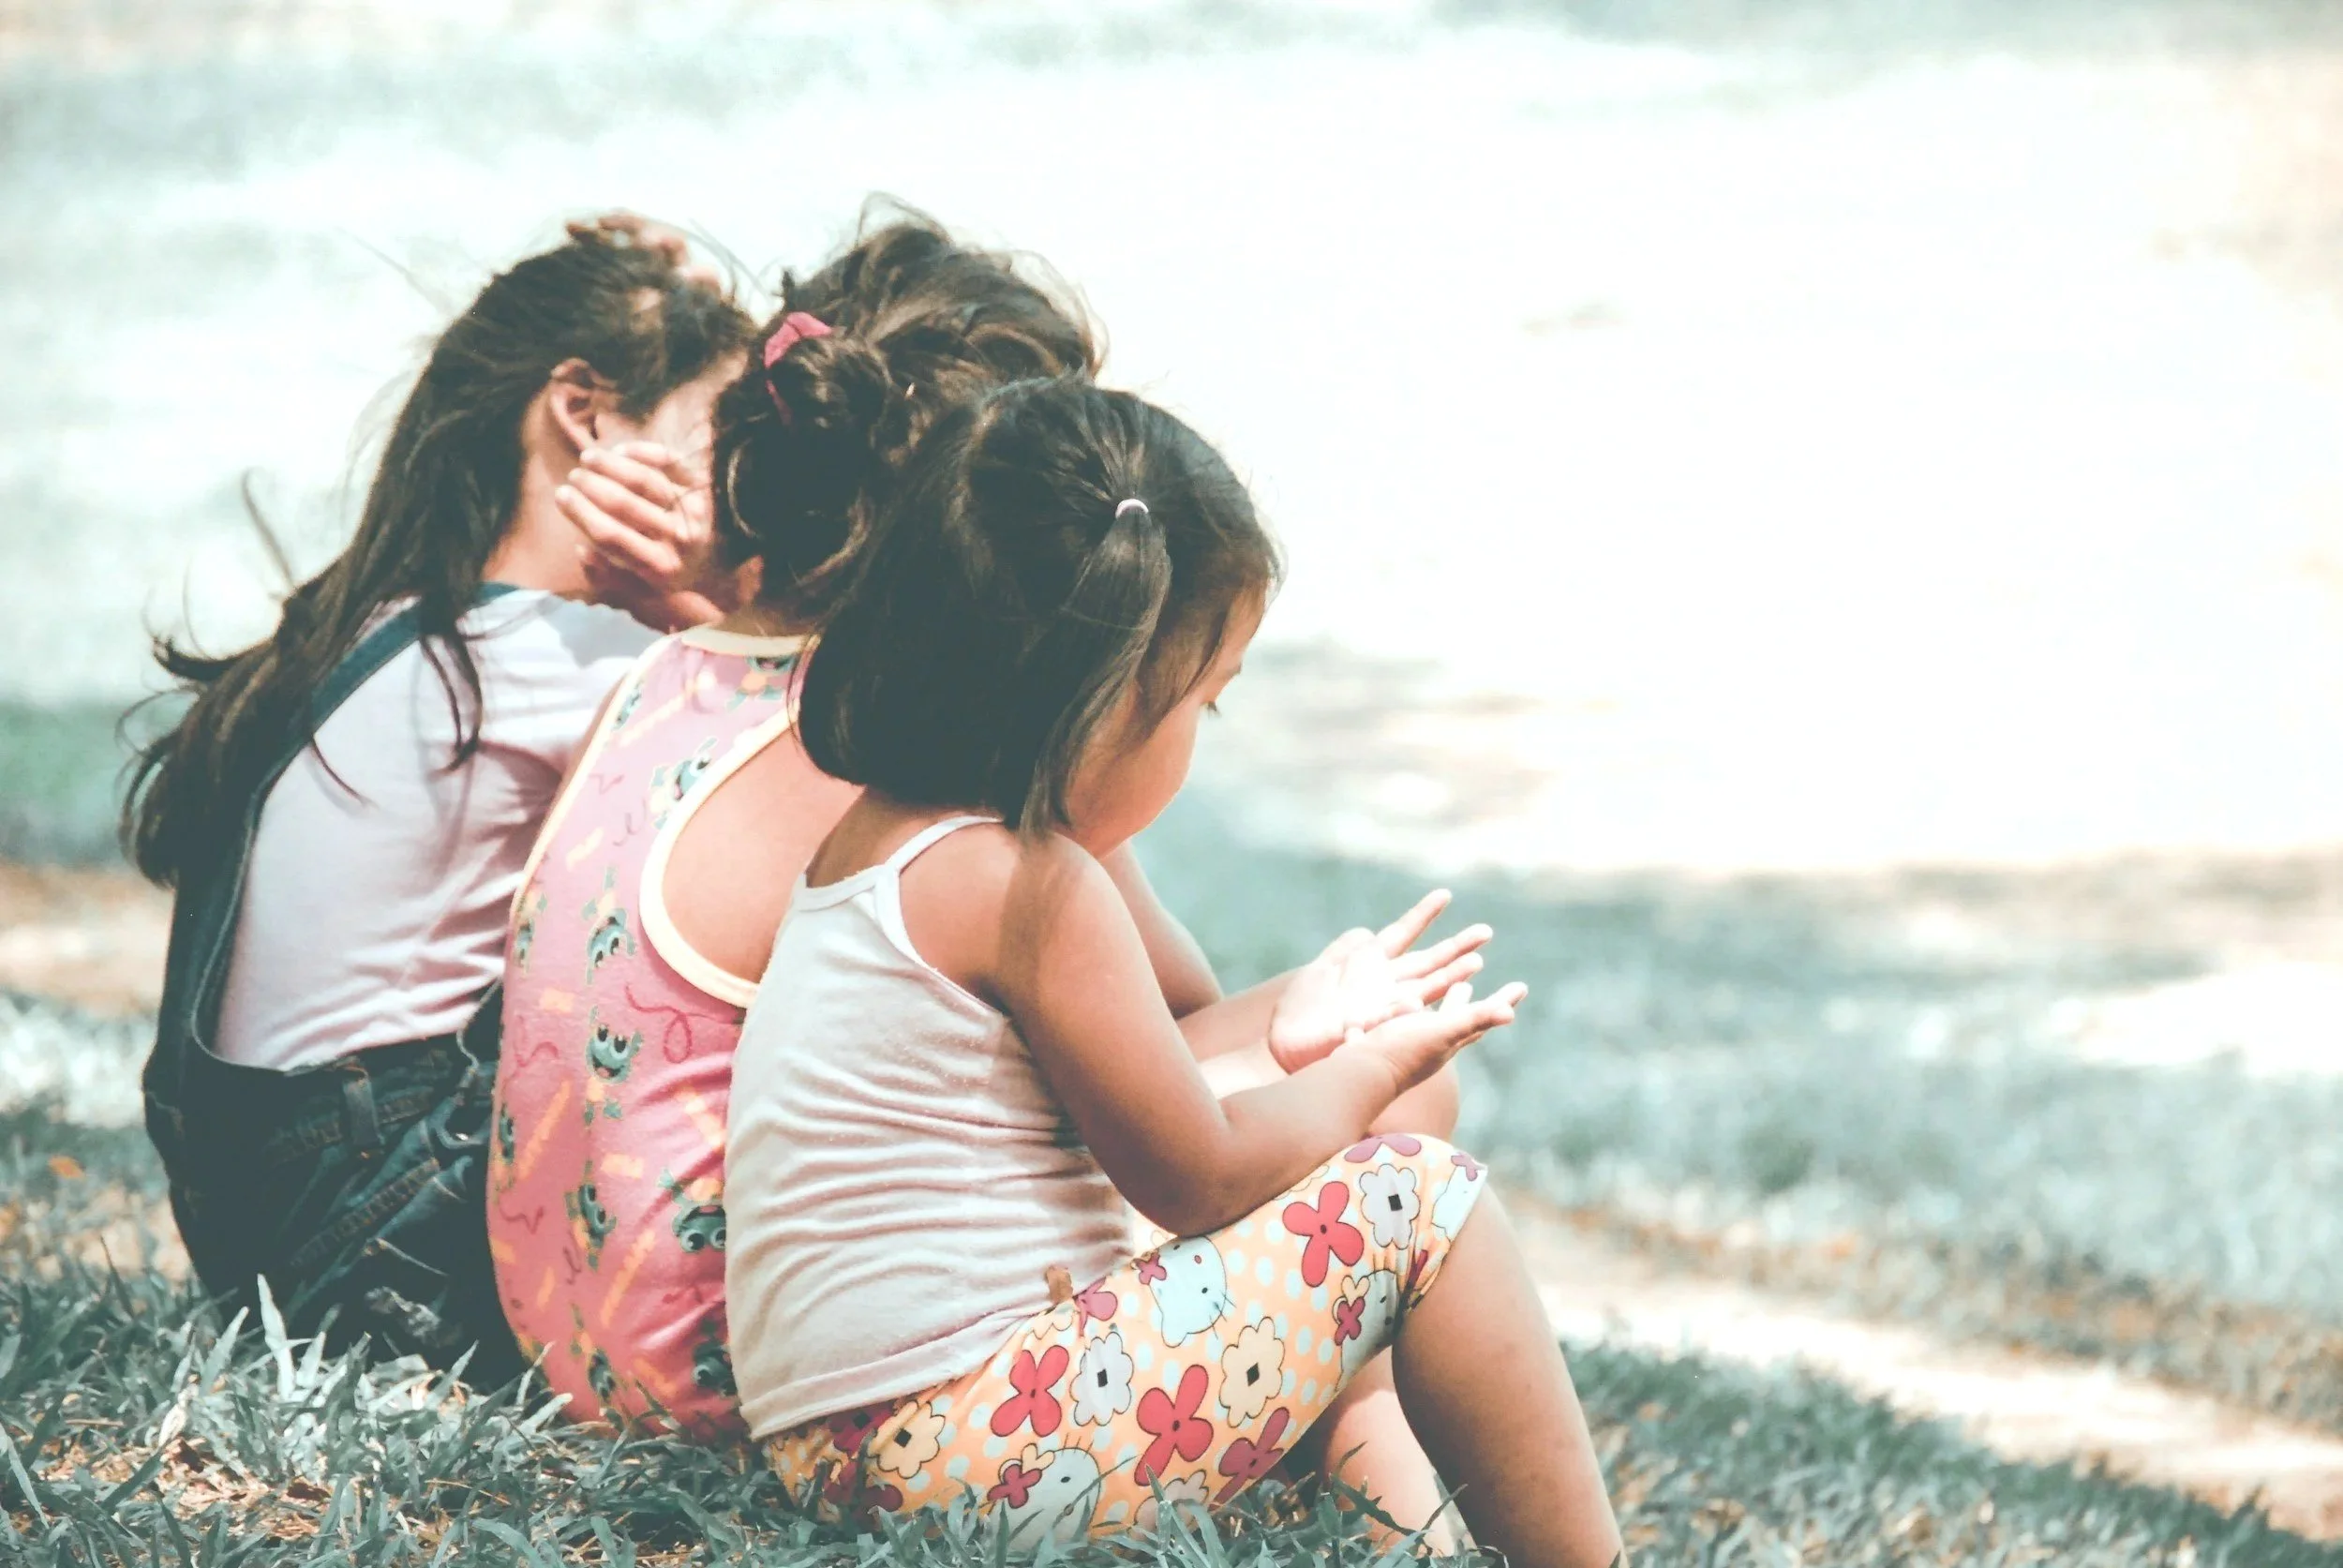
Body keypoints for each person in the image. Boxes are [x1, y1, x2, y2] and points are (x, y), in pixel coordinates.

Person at [504, 212, 1481, 1539]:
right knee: (1402, 1104)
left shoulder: (671, 675)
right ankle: (1391, 1508)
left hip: (601, 1334)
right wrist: (1349, 1051)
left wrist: (1309, 1005)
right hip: (763, 1378)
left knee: (1350, 1082)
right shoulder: (918, 758)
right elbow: (1172, 1076)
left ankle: (1384, 1495)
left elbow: (1143, 1026)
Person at [724, 375, 1627, 1563]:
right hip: (964, 1449)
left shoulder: (888, 842)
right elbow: (1194, 1178)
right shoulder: (1027, 883)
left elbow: (1118, 1085)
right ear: (1102, 698)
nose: (1202, 730)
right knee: (1418, 1198)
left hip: (854, 1447)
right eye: (1204, 698)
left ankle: (1412, 1544)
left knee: (1374, 1157)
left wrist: (1302, 1027)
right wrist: (1368, 1071)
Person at [123, 217, 755, 1381]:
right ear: (583, 410)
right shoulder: (557, 659)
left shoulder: (390, 623)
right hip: (377, 1255)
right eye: (713, 435)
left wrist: (672, 301)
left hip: (272, 1230)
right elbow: (832, 773)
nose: (728, 487)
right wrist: (706, 601)